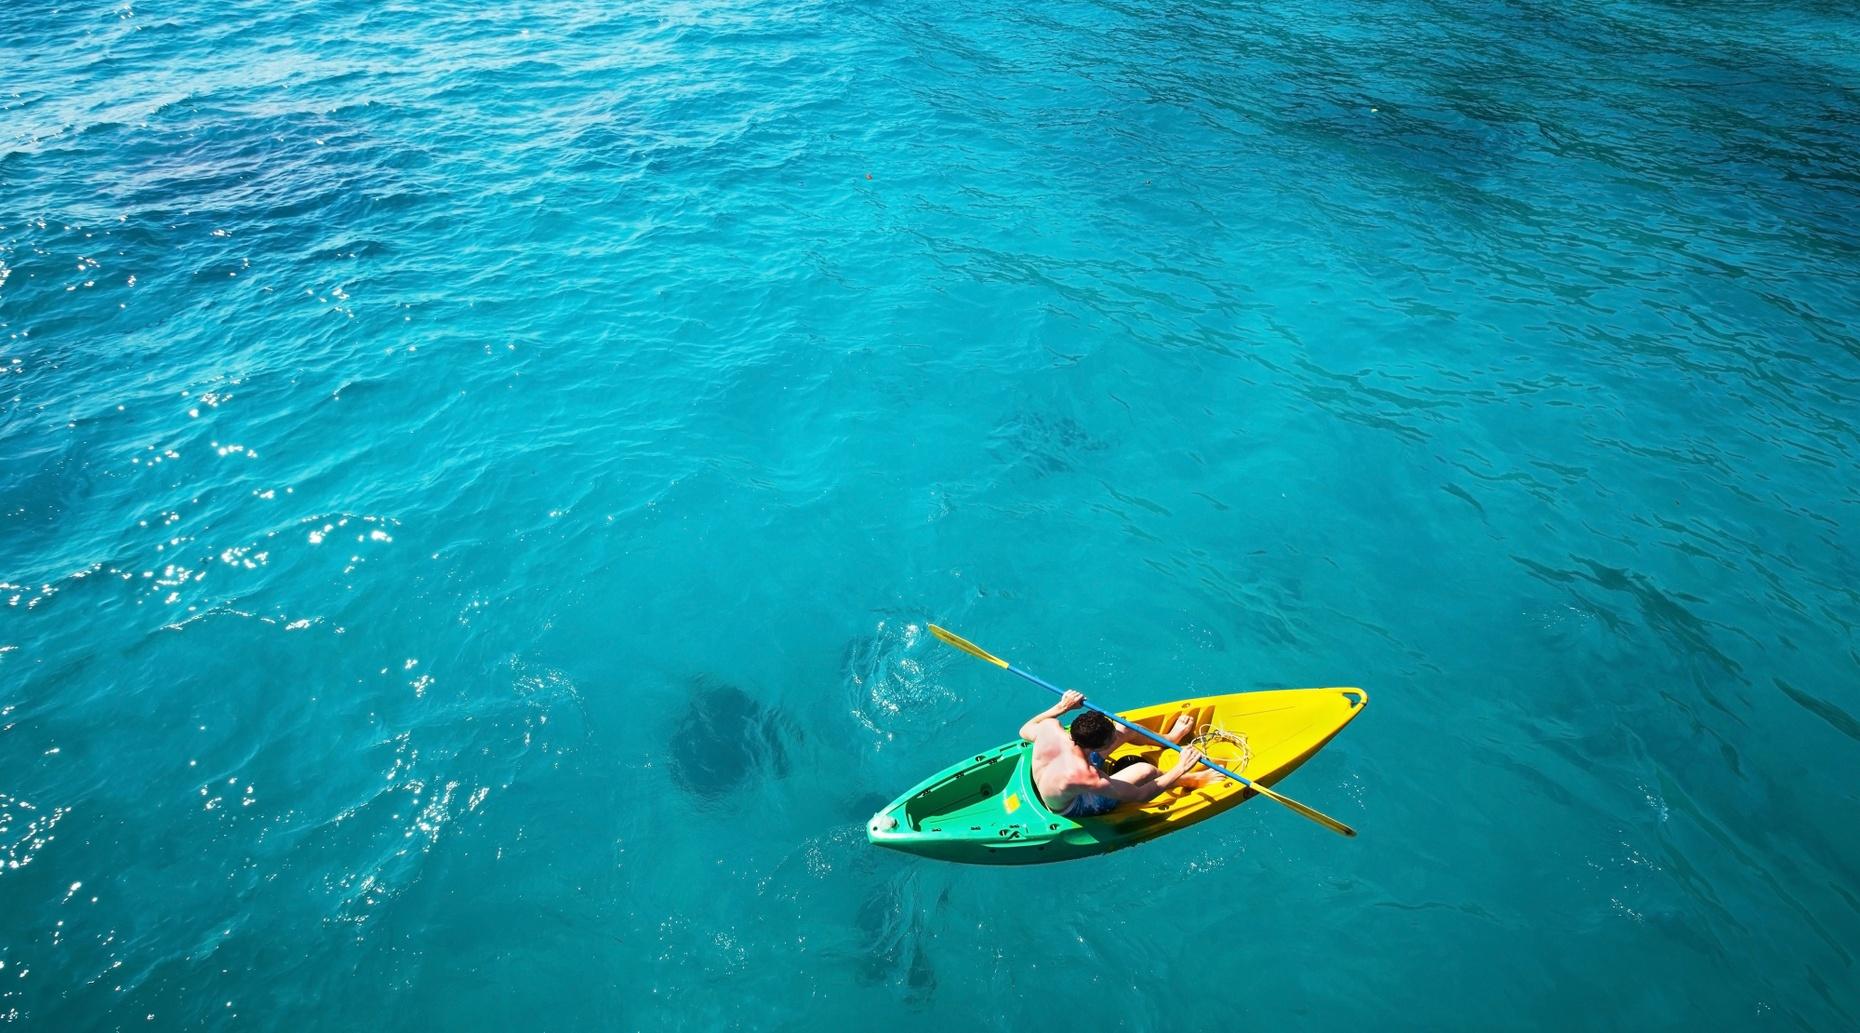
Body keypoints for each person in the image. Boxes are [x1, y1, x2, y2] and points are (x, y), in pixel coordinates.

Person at [1021, 689, 1219, 818]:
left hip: (1064, 767)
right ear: (1097, 747)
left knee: (1126, 728)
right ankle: (1189, 780)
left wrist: (1062, 706)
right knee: (1145, 771)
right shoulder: (1087, 777)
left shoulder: (1050, 727)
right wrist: (1180, 768)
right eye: (1110, 740)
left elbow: (1025, 729)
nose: (1114, 739)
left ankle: (1169, 739)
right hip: (1070, 805)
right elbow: (1141, 795)